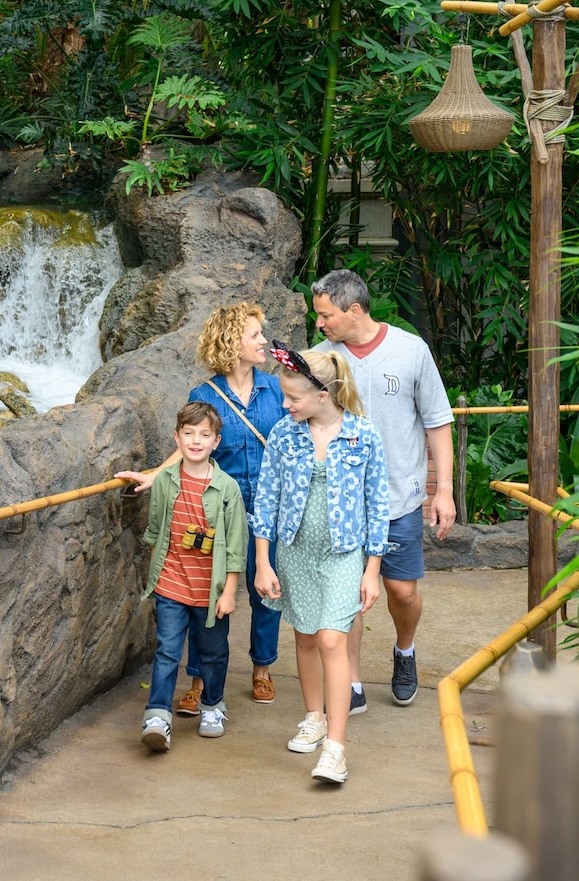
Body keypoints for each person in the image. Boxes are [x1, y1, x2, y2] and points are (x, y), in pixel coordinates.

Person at [116, 304, 287, 712]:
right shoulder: (204, 395)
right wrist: (155, 475)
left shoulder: (277, 389)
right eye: (254, 335)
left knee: (266, 589)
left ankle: (262, 669)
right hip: (217, 511)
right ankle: (199, 680)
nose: (263, 341)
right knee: (206, 592)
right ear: (232, 342)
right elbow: (191, 447)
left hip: (266, 508)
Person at [310, 269, 455, 714]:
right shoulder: (319, 359)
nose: (320, 324)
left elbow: (437, 420)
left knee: (401, 591)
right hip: (340, 500)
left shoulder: (411, 351)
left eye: (326, 315)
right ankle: (350, 680)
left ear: (355, 310)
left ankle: (405, 650)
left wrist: (443, 490)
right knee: (346, 594)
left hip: (399, 499)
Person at [252, 347, 388, 784]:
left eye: (293, 397)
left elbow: (377, 505)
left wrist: (372, 569)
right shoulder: (283, 434)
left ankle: (336, 747)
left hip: (344, 555)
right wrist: (262, 561)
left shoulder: (364, 436)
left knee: (333, 640)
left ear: (325, 394)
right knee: (307, 637)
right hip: (295, 552)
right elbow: (266, 499)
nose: (286, 405)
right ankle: (313, 716)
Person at [136, 402, 248, 752]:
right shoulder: (167, 481)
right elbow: (156, 532)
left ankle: (213, 705)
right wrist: (154, 579)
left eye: (204, 435)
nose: (195, 441)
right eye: (188, 434)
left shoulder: (227, 488)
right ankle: (157, 715)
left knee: (213, 652)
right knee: (167, 649)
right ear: (177, 437)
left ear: (216, 441)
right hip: (171, 583)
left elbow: (234, 546)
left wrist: (229, 592)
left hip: (210, 590)